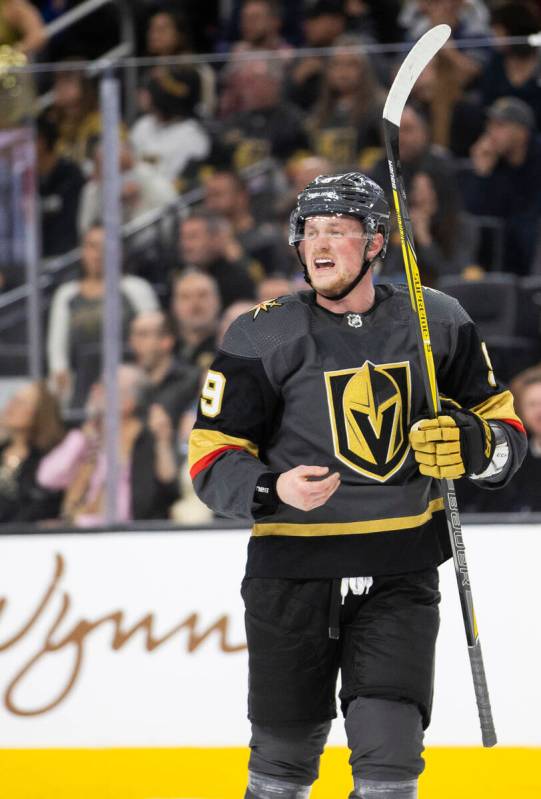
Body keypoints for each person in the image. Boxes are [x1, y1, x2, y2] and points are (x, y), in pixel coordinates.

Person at [188, 172, 526, 799]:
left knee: (390, 768)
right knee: (280, 768)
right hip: (290, 575)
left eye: (337, 231)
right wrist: (272, 489)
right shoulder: (261, 331)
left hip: (400, 571)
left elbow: (506, 435)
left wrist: (470, 444)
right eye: (310, 231)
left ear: (375, 244)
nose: (320, 244)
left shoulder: (437, 320)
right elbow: (211, 459)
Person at [38, 365, 179, 525]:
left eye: (104, 386)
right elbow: (47, 478)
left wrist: (162, 441)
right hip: (79, 530)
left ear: (127, 403)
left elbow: (164, 491)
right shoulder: (86, 439)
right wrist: (81, 439)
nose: (94, 388)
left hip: (126, 536)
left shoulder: (144, 440)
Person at [47, 224, 159, 412]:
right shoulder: (67, 294)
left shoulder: (136, 288)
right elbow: (57, 348)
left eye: (105, 247)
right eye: (92, 246)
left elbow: (154, 334)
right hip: (82, 385)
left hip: (128, 382)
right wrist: (59, 375)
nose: (98, 254)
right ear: (82, 251)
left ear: (120, 252)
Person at [461, 96, 541, 274]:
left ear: (522, 132)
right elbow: (474, 214)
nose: (490, 133)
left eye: (500, 126)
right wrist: (481, 174)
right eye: (489, 125)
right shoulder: (492, 161)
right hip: (502, 254)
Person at [0, 380, 65, 523]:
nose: (11, 405)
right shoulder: (2, 451)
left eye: (21, 402)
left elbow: (43, 506)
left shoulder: (49, 459)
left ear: (39, 412)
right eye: (12, 399)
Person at [129, 310, 200, 428]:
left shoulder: (192, 381)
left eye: (142, 335)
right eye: (133, 335)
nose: (134, 342)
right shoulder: (128, 383)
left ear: (166, 341)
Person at [178, 212, 257, 310]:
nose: (186, 245)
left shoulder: (238, 280)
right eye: (183, 237)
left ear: (215, 239)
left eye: (193, 237)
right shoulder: (179, 276)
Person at [36, 113, 85, 257]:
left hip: (65, 258)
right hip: (32, 260)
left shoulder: (71, 174)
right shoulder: (21, 178)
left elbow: (72, 222)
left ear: (42, 142)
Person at [171, 268, 221, 371]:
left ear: (218, 301)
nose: (195, 304)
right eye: (185, 297)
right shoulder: (167, 350)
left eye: (203, 295)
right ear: (174, 306)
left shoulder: (232, 349)